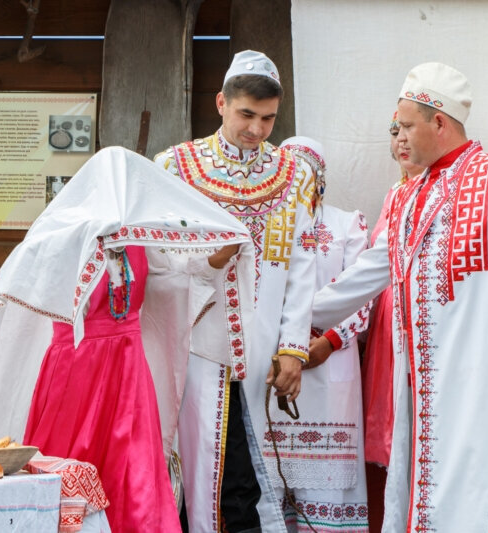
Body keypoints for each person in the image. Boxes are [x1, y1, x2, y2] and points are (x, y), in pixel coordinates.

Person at [311, 62, 488, 532]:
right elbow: (365, 276)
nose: (398, 134)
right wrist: (294, 315)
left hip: (475, 385)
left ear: (438, 122)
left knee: (478, 494)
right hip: (416, 390)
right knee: (420, 492)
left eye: (406, 124)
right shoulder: (404, 197)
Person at [0, 146, 258, 532]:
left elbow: (176, 277)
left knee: (132, 461)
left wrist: (223, 250)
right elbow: (31, 283)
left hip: (127, 364)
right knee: (70, 451)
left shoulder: (139, 237)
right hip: (76, 365)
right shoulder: (63, 234)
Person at [155, 50, 317, 533]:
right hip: (194, 340)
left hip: (262, 342)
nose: (257, 129)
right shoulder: (174, 166)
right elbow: (156, 258)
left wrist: (293, 348)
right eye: (247, 114)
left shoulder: (295, 174)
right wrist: (206, 263)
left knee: (247, 478)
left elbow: (301, 266)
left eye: (268, 118)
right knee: (189, 462)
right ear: (221, 103)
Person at [277, 136, 372, 531]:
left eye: (305, 173)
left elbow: (364, 294)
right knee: (275, 473)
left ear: (319, 177)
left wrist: (328, 342)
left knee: (328, 485)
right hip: (278, 365)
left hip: (330, 362)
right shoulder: (268, 229)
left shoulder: (346, 223)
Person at [362, 112, 426, 470]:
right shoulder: (395, 194)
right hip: (389, 315)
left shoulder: (441, 193)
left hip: (419, 312)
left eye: (408, 130)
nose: (401, 140)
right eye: (394, 131)